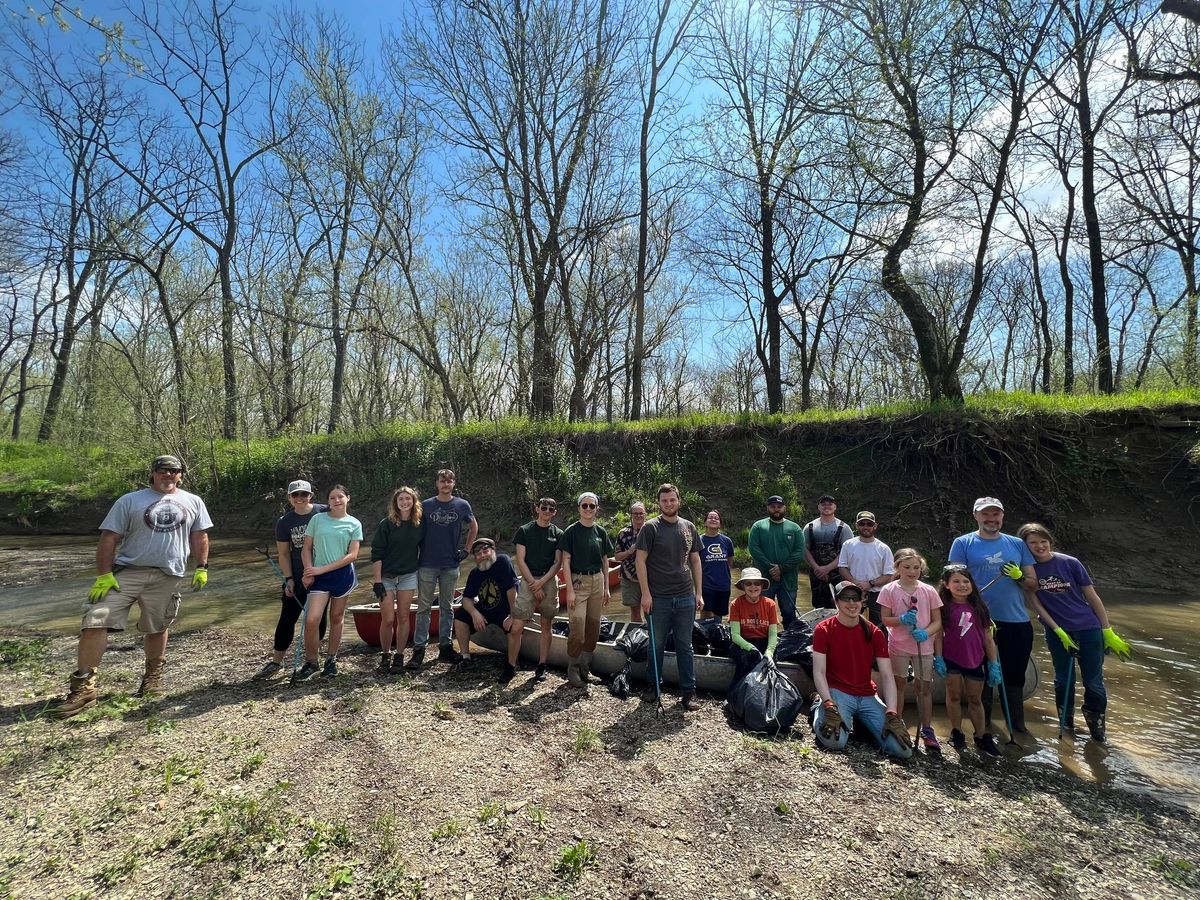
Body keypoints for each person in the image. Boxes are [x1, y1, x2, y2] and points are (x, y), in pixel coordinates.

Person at [52, 455, 213, 717]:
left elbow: (199, 535)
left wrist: (202, 567)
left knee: (158, 626)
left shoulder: (193, 501)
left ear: (181, 475)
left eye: (174, 471)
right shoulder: (130, 500)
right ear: (153, 473)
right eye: (163, 470)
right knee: (95, 621)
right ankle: (84, 688)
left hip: (168, 574)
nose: (169, 475)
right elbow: (109, 537)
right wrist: (104, 574)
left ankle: (152, 678)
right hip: (127, 572)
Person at [1018, 522, 1132, 743]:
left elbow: (1092, 597)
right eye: (1033, 543)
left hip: (1089, 629)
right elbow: (1036, 604)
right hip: (1057, 632)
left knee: (1093, 681)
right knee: (1063, 680)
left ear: (1050, 541)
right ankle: (1066, 725)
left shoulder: (1070, 563)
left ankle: (1097, 731)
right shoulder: (1028, 570)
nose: (1040, 546)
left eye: (1043, 541)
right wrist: (1057, 630)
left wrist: (1107, 630)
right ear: (1025, 546)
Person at [947, 497, 1036, 732]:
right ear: (976, 516)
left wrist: (1019, 577)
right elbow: (953, 582)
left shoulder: (1017, 544)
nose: (991, 519)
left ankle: (1017, 728)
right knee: (981, 676)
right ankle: (983, 729)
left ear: (1002, 516)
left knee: (1015, 677)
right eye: (985, 514)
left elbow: (1032, 583)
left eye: (995, 514)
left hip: (1015, 620)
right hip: (976, 621)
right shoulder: (962, 543)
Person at [809, 581, 913, 760]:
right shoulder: (823, 629)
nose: (851, 603)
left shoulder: (874, 632)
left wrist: (892, 711)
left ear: (862, 601)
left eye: (856, 598)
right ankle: (817, 705)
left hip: (867, 695)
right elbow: (819, 671)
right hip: (838, 692)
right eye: (846, 598)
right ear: (836, 602)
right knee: (835, 743)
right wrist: (828, 702)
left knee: (903, 751)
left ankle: (863, 724)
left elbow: (887, 676)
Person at [636, 483, 704, 711]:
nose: (668, 504)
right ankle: (653, 686)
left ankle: (688, 692)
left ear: (679, 500)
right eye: (664, 501)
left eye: (672, 500)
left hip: (685, 596)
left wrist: (699, 592)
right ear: (659, 503)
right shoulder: (650, 528)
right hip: (659, 598)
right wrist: (645, 594)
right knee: (656, 644)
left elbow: (695, 560)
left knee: (685, 645)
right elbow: (640, 561)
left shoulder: (689, 527)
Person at [253, 479, 329, 681]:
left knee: (318, 619)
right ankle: (276, 662)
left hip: (322, 576)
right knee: (287, 619)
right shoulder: (284, 522)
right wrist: (289, 579)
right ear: (289, 498)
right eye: (295, 495)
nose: (300, 498)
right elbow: (284, 554)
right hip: (296, 577)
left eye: (304, 494)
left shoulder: (324, 512)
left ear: (311, 495)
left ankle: (313, 660)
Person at [933, 565, 1004, 757]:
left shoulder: (979, 607)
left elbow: (988, 638)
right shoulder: (942, 607)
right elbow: (938, 635)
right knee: (953, 696)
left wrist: (993, 663)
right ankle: (956, 732)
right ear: (946, 585)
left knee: (975, 699)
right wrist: (938, 658)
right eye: (956, 581)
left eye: (966, 581)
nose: (962, 585)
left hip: (975, 660)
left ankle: (981, 735)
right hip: (951, 659)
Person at [293, 485, 362, 681]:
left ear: (348, 498)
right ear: (328, 501)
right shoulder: (318, 519)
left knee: (336, 617)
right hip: (318, 576)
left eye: (340, 496)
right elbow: (306, 549)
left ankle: (331, 660)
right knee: (312, 619)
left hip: (342, 576)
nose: (337, 500)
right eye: (332, 497)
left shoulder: (354, 523)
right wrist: (308, 572)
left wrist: (320, 570)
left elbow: (352, 555)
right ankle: (311, 662)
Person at [878, 548, 943, 751]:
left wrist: (925, 632)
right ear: (897, 567)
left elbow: (937, 621)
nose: (912, 571)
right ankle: (897, 722)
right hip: (898, 645)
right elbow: (885, 619)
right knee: (898, 685)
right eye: (907, 567)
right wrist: (901, 620)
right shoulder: (888, 590)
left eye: (916, 567)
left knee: (923, 687)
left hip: (923, 646)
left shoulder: (929, 591)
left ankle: (927, 729)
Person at [415, 469, 478, 667]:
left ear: (453, 484)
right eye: (442, 481)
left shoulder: (461, 505)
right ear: (437, 483)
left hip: (451, 564)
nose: (446, 484)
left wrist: (467, 550)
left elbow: (473, 527)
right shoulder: (425, 505)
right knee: (423, 607)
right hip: (426, 564)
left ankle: (445, 646)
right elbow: (414, 530)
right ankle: (419, 648)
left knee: (447, 607)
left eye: (449, 481)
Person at [559, 492, 614, 689]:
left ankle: (585, 666)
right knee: (577, 625)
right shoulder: (571, 532)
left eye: (592, 506)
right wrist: (570, 589)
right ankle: (572, 668)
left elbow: (605, 560)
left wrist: (607, 586)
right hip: (578, 582)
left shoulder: (601, 532)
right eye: (585, 506)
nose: (588, 509)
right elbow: (565, 561)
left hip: (597, 581)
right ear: (579, 508)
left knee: (594, 627)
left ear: (597, 509)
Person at [370, 487, 426, 674]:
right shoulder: (386, 524)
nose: (404, 502)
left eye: (408, 499)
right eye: (401, 499)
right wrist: (377, 581)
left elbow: (428, 545)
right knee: (387, 618)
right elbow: (376, 553)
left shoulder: (419, 523)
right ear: (396, 503)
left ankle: (399, 655)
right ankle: (385, 654)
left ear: (413, 501)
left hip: (408, 575)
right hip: (386, 577)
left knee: (403, 616)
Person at [452, 538, 523, 683]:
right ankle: (466, 658)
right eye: (478, 554)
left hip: (506, 610)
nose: (482, 555)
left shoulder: (503, 561)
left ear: (493, 550)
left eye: (485, 551)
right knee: (460, 617)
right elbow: (466, 599)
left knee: (515, 627)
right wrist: (474, 613)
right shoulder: (475, 573)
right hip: (486, 611)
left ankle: (511, 666)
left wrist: (512, 614)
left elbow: (512, 590)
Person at [513, 498, 564, 682]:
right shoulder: (524, 531)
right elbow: (520, 560)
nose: (547, 511)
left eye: (551, 509)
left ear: (554, 512)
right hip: (528, 579)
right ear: (537, 509)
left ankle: (542, 665)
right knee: (517, 625)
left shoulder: (558, 533)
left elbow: (558, 562)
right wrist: (533, 583)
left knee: (546, 624)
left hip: (548, 579)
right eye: (544, 508)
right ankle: (512, 663)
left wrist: (542, 582)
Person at [747, 495, 806, 627]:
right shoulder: (758, 526)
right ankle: (763, 642)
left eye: (779, 507)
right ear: (768, 508)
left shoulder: (794, 528)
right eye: (773, 507)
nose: (776, 509)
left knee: (789, 613)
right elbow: (754, 549)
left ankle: (789, 642)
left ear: (784, 508)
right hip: (764, 581)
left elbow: (799, 553)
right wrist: (771, 568)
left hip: (788, 580)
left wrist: (781, 568)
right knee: (761, 613)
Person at [837, 511, 895, 628]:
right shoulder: (848, 545)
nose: (866, 526)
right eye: (862, 524)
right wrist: (855, 583)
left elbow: (889, 575)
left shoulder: (884, 548)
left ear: (875, 526)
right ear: (857, 526)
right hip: (853, 592)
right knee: (848, 625)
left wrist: (870, 584)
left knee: (879, 627)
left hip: (877, 594)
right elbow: (842, 567)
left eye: (869, 524)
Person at [727, 567, 780, 688]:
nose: (753, 587)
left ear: (761, 586)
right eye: (748, 584)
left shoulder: (770, 604)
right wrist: (751, 648)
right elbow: (735, 635)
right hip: (743, 643)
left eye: (757, 583)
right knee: (745, 659)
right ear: (743, 586)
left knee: (770, 664)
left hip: (764, 641)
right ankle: (736, 694)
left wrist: (769, 652)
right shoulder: (736, 604)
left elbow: (773, 634)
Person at [803, 493, 851, 609]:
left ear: (835, 507)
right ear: (819, 507)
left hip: (837, 574)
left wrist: (828, 568)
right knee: (818, 605)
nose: (827, 507)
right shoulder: (809, 526)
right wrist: (817, 568)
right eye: (823, 504)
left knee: (838, 603)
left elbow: (847, 552)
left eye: (830, 504)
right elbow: (804, 550)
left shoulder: (844, 528)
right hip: (816, 574)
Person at [613, 501, 647, 623]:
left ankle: (652, 637)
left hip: (650, 578)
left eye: (641, 513)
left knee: (651, 610)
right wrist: (630, 551)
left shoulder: (652, 530)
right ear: (631, 515)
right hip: (629, 578)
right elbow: (617, 557)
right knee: (635, 611)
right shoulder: (623, 533)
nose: (638, 516)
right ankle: (637, 635)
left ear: (645, 514)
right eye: (635, 513)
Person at [699, 510, 734, 623]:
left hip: (723, 585)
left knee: (718, 616)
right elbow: (695, 563)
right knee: (705, 613)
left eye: (716, 518)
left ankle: (717, 637)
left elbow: (729, 562)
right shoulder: (699, 541)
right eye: (710, 517)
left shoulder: (727, 541)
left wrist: (725, 577)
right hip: (706, 584)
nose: (713, 519)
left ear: (720, 523)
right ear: (705, 522)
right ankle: (704, 637)